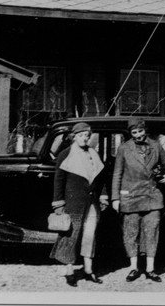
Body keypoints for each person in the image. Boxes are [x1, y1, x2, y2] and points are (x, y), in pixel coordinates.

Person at [112, 117, 165, 282]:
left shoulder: (155, 145)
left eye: (140, 131)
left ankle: (150, 269)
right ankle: (133, 268)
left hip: (152, 196)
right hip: (130, 196)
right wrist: (115, 198)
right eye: (134, 132)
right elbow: (117, 174)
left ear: (145, 130)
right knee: (131, 232)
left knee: (151, 231)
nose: (138, 135)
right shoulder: (124, 149)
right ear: (130, 133)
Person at [50, 122, 110, 287]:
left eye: (87, 136)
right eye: (81, 135)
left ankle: (88, 270)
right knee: (71, 236)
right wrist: (58, 203)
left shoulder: (93, 153)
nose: (84, 139)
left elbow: (100, 178)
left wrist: (103, 196)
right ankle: (69, 271)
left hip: (92, 203)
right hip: (73, 203)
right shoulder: (65, 154)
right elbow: (59, 181)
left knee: (90, 235)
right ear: (74, 137)